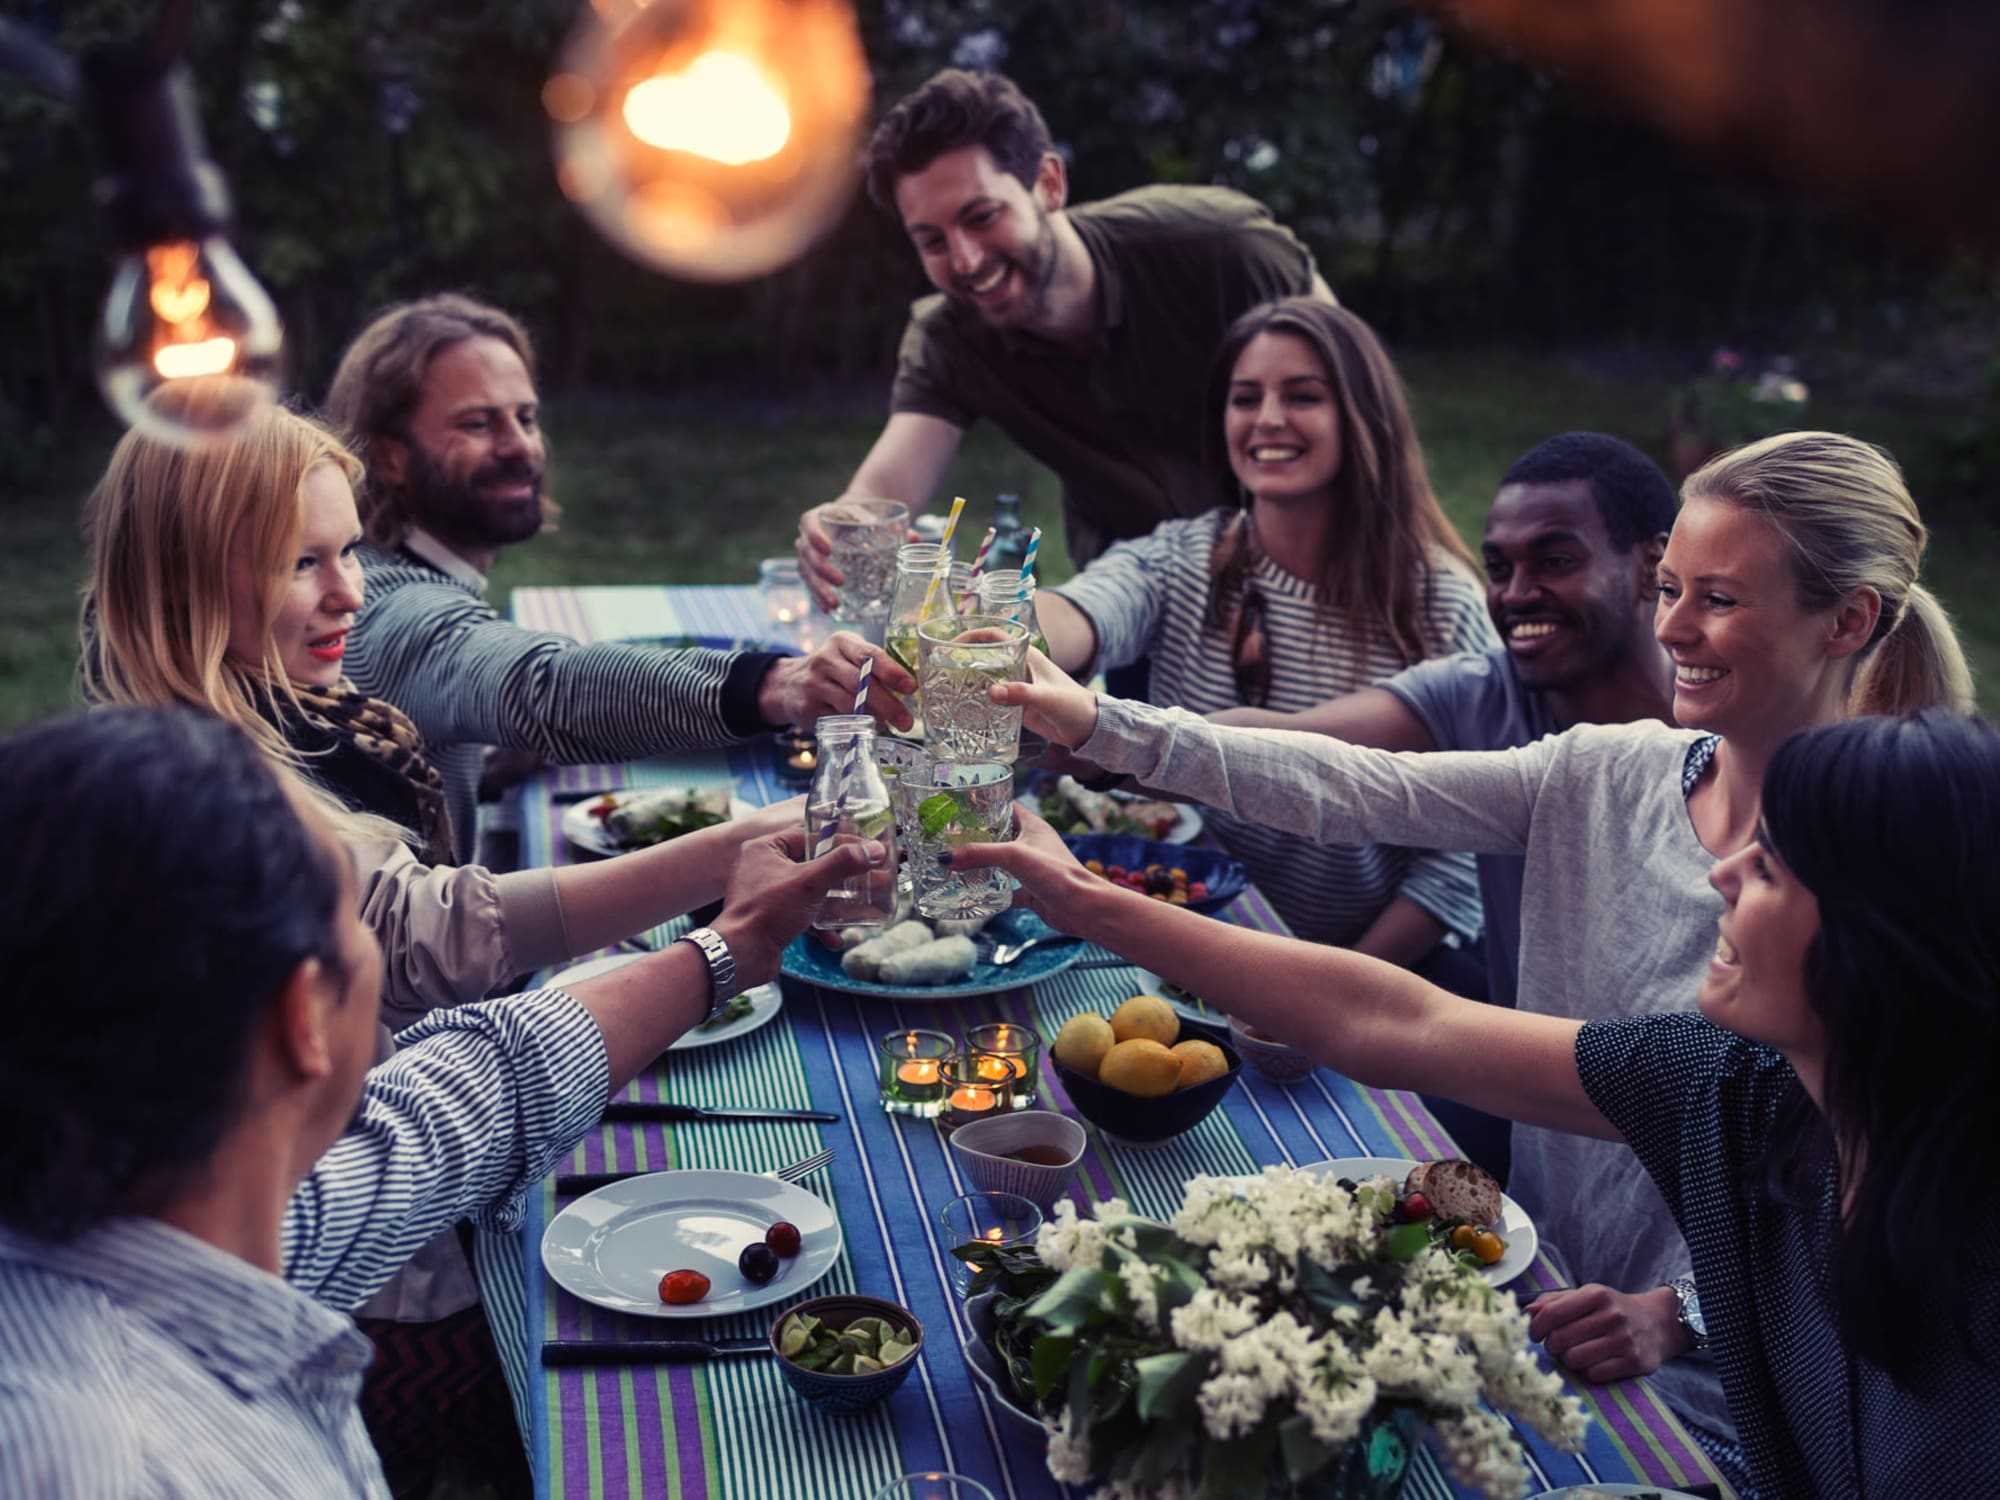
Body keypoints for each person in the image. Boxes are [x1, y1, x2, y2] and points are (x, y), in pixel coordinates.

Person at [987, 428, 1976, 1482]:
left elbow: (1865, 1179)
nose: (1674, 627)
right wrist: (1101, 727)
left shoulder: (1890, 891)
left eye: (1718, 599)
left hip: (1719, 1378)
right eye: (1668, 587)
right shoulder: (1622, 794)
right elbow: (1365, 814)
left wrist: (1685, 1310)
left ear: (1851, 618)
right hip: (1534, 1258)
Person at [950, 708, 2000, 1499]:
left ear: (1875, 933)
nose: (1719, 875)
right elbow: (1394, 1022)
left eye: (1767, 869)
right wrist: (1084, 900)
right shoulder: (1730, 1091)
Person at [76, 386, 811, 1489]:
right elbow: (436, 938)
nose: (347, 596)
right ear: (186, 577)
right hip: (377, 1268)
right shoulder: (216, 797)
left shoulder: (263, 711)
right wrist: (730, 860)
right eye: (299, 565)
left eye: (346, 552)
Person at [0, 703, 874, 1497]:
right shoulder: (121, 1463)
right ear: (303, 1017)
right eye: (357, 924)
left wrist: (725, 952)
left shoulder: (182, 1214)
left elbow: (455, 1101)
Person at [324, 292, 913, 864]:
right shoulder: (386, 605)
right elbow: (543, 685)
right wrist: (775, 686)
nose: (519, 446)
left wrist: (495, 753)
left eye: (526, 418)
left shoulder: (397, 569)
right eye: (478, 424)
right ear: (392, 457)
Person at [1033, 299, 1495, 983]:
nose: (1268, 419)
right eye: (1245, 398)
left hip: (1367, 968)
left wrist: (1330, 988)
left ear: (1362, 418)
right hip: (1195, 936)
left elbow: (1467, 858)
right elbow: (1083, 610)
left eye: (1302, 396)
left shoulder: (1441, 604)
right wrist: (1004, 630)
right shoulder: (1178, 559)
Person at [796, 67, 1334, 616]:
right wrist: (842, 524)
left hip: (1315, 579)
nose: (965, 260)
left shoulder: (1220, 249)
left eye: (982, 217)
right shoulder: (948, 339)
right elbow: (884, 490)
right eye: (932, 241)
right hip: (1139, 606)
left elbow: (1357, 402)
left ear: (1049, 184)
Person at [1208, 430, 1681, 1012]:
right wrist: (1101, 730)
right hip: (1528, 1086)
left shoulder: (1731, 728)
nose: (1516, 594)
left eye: (1555, 560)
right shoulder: (1480, 691)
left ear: (1653, 567)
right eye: (1498, 568)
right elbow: (1292, 744)